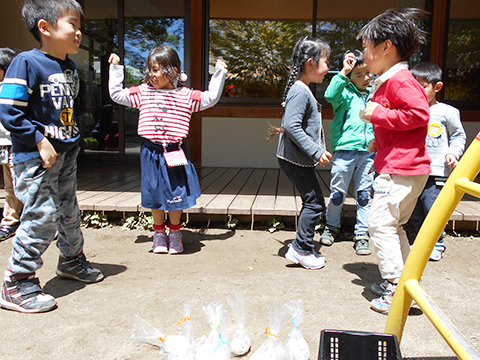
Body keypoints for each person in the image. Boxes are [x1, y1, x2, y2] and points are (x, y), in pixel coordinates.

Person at [0, 0, 104, 313]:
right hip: (34, 157)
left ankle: (71, 260)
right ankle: (17, 281)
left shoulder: (69, 66)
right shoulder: (26, 63)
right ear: (45, 28)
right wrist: (38, 140)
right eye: (72, 24)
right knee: (42, 215)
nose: (79, 32)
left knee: (69, 210)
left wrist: (70, 143)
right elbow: (9, 110)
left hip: (65, 154)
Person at [108, 47, 227, 254]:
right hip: (151, 152)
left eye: (156, 70)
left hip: (174, 152)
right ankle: (158, 233)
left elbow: (210, 98)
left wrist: (219, 74)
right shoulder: (143, 93)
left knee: (175, 193)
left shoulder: (186, 96)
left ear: (172, 71)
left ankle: (175, 233)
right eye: (149, 70)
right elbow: (117, 94)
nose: (151, 75)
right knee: (154, 193)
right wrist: (116, 68)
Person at [357, 8, 431, 314]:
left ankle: (395, 286)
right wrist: (380, 137)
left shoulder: (400, 80)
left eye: (366, 47)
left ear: (386, 46)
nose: (363, 55)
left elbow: (419, 114)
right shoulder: (391, 80)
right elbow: (405, 123)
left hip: (401, 169)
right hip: (404, 166)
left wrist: (378, 114)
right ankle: (404, 283)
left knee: (379, 224)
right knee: (395, 225)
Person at [272, 36, 332, 270]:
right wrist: (317, 151)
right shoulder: (300, 91)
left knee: (313, 201)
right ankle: (301, 249)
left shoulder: (302, 89)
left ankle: (300, 246)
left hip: (295, 158)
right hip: (295, 159)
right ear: (311, 63)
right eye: (326, 62)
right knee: (315, 203)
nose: (328, 68)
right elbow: (292, 126)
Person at [409, 62, 466, 261]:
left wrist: (453, 152)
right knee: (414, 208)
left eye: (422, 86)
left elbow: (459, 135)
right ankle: (421, 240)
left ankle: (437, 242)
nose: (417, 92)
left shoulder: (447, 112)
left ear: (437, 87)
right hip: (413, 169)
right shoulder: (409, 111)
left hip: (436, 170)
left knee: (432, 207)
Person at [321, 50, 375, 255]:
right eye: (359, 75)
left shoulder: (376, 95)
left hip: (368, 153)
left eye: (368, 73)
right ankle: (331, 226)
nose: (365, 78)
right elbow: (329, 95)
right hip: (344, 151)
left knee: (364, 196)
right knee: (337, 195)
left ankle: (361, 235)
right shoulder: (344, 93)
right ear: (351, 77)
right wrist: (343, 71)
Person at [0, 48, 23, 241]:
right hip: (4, 146)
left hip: (16, 144)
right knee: (10, 185)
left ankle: (43, 223)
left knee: (22, 184)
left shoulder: (14, 89)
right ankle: (10, 220)